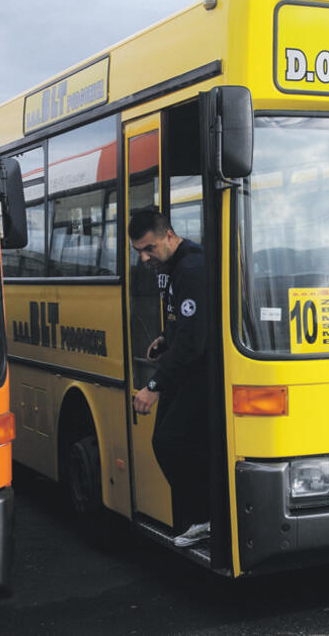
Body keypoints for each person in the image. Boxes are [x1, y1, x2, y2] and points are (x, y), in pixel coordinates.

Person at [129, 209, 210, 547]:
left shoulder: (192, 268)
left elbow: (194, 341)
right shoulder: (173, 266)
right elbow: (182, 321)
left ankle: (205, 518)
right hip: (183, 368)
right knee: (169, 441)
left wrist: (153, 386)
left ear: (169, 235)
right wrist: (165, 337)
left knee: (170, 442)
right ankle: (203, 516)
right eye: (139, 252)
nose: (145, 258)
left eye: (149, 249)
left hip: (198, 373)